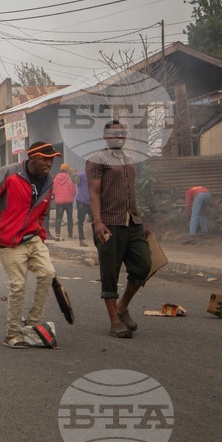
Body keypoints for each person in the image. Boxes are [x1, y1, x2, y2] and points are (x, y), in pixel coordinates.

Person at [0, 141, 60, 349]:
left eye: (51, 160)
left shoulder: (49, 181)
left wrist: (41, 235)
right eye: (44, 159)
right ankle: (12, 334)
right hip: (8, 240)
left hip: (33, 238)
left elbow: (42, 212)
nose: (49, 164)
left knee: (48, 273)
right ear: (32, 158)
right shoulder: (10, 173)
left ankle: (31, 325)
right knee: (18, 285)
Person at [87, 120, 151, 339]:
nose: (119, 137)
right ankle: (115, 322)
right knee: (110, 272)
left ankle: (122, 307)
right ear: (105, 137)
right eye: (114, 134)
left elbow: (131, 192)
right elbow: (94, 193)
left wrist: (140, 220)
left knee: (143, 265)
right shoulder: (97, 159)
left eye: (122, 133)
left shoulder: (129, 159)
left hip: (132, 221)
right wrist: (97, 222)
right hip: (109, 222)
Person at [52, 163, 77, 241]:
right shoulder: (70, 178)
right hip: (68, 201)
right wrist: (72, 195)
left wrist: (55, 195)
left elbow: (53, 189)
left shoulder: (56, 178)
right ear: (67, 169)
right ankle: (70, 234)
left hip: (59, 201)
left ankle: (57, 233)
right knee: (70, 218)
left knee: (58, 218)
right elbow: (74, 189)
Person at [74, 167, 91, 247]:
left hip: (90, 202)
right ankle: (81, 240)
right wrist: (74, 175)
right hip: (81, 201)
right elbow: (75, 179)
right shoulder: (82, 175)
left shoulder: (94, 177)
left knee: (95, 218)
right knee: (81, 221)